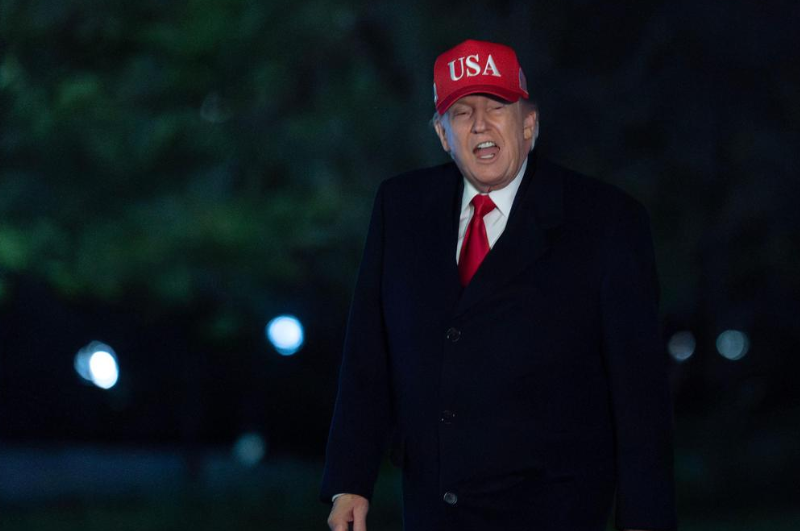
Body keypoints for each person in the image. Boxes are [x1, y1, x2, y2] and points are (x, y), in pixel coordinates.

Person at [321, 39, 677, 531]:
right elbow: (367, 354)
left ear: (529, 123)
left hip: (555, 513)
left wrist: (644, 520)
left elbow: (640, 397)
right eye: (461, 112)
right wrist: (350, 481)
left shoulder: (606, 222)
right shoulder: (400, 208)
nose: (480, 125)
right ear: (442, 135)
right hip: (434, 512)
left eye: (496, 107)